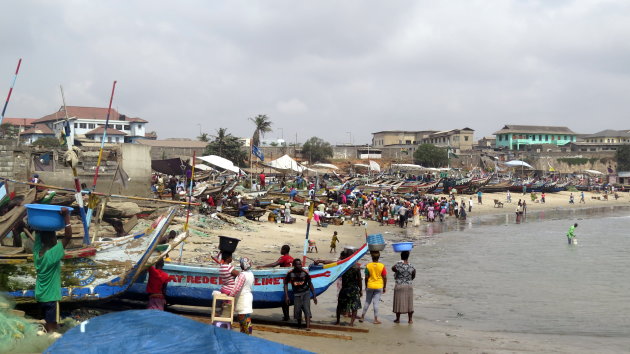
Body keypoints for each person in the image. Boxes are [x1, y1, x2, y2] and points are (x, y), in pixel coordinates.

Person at [33, 207, 72, 333]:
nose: (57, 240)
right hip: (50, 298)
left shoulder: (37, 253)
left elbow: (38, 233)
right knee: (52, 330)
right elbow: (68, 237)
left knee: (49, 323)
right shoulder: (52, 255)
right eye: (55, 237)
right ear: (51, 239)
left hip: (41, 296)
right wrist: (66, 217)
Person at [261, 245, 294, 320]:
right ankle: (286, 316)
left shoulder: (283, 257)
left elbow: (274, 264)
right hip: (290, 281)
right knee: (286, 299)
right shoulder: (292, 258)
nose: (280, 251)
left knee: (284, 299)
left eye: (281, 249)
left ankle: (286, 316)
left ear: (285, 250)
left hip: (284, 281)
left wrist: (263, 266)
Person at [284, 259, 317, 330]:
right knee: (297, 310)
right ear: (294, 265)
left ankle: (308, 327)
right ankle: (299, 326)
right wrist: (286, 296)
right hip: (296, 293)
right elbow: (285, 284)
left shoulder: (305, 273)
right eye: (297, 264)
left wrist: (314, 295)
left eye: (300, 264)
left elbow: (310, 284)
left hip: (306, 293)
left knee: (306, 309)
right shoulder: (290, 273)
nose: (299, 266)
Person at [359, 251, 387, 324]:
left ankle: (362, 317)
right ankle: (375, 319)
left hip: (370, 285)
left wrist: (366, 286)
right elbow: (384, 277)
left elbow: (366, 277)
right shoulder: (382, 266)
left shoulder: (368, 265)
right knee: (376, 303)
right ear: (378, 257)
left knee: (367, 302)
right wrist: (384, 287)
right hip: (379, 286)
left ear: (372, 257)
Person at [335, 251, 362, 326]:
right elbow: (359, 280)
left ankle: (337, 322)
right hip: (353, 289)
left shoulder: (343, 266)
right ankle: (351, 323)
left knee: (339, 305)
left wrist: (321, 262)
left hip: (345, 288)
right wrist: (360, 290)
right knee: (354, 307)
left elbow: (332, 265)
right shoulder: (356, 267)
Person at [229, 257, 255, 335]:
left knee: (244, 318)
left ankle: (247, 334)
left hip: (243, 298)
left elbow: (237, 288)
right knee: (246, 317)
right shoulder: (251, 273)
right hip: (248, 296)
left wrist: (230, 296)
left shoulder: (242, 275)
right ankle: (246, 334)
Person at [392, 251, 416, 324]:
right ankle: (410, 319)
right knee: (409, 302)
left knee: (398, 301)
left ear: (401, 256)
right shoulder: (411, 266)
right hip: (409, 286)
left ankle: (398, 319)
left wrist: (398, 264)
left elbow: (393, 268)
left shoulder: (398, 265)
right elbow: (413, 275)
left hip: (399, 285)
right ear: (408, 256)